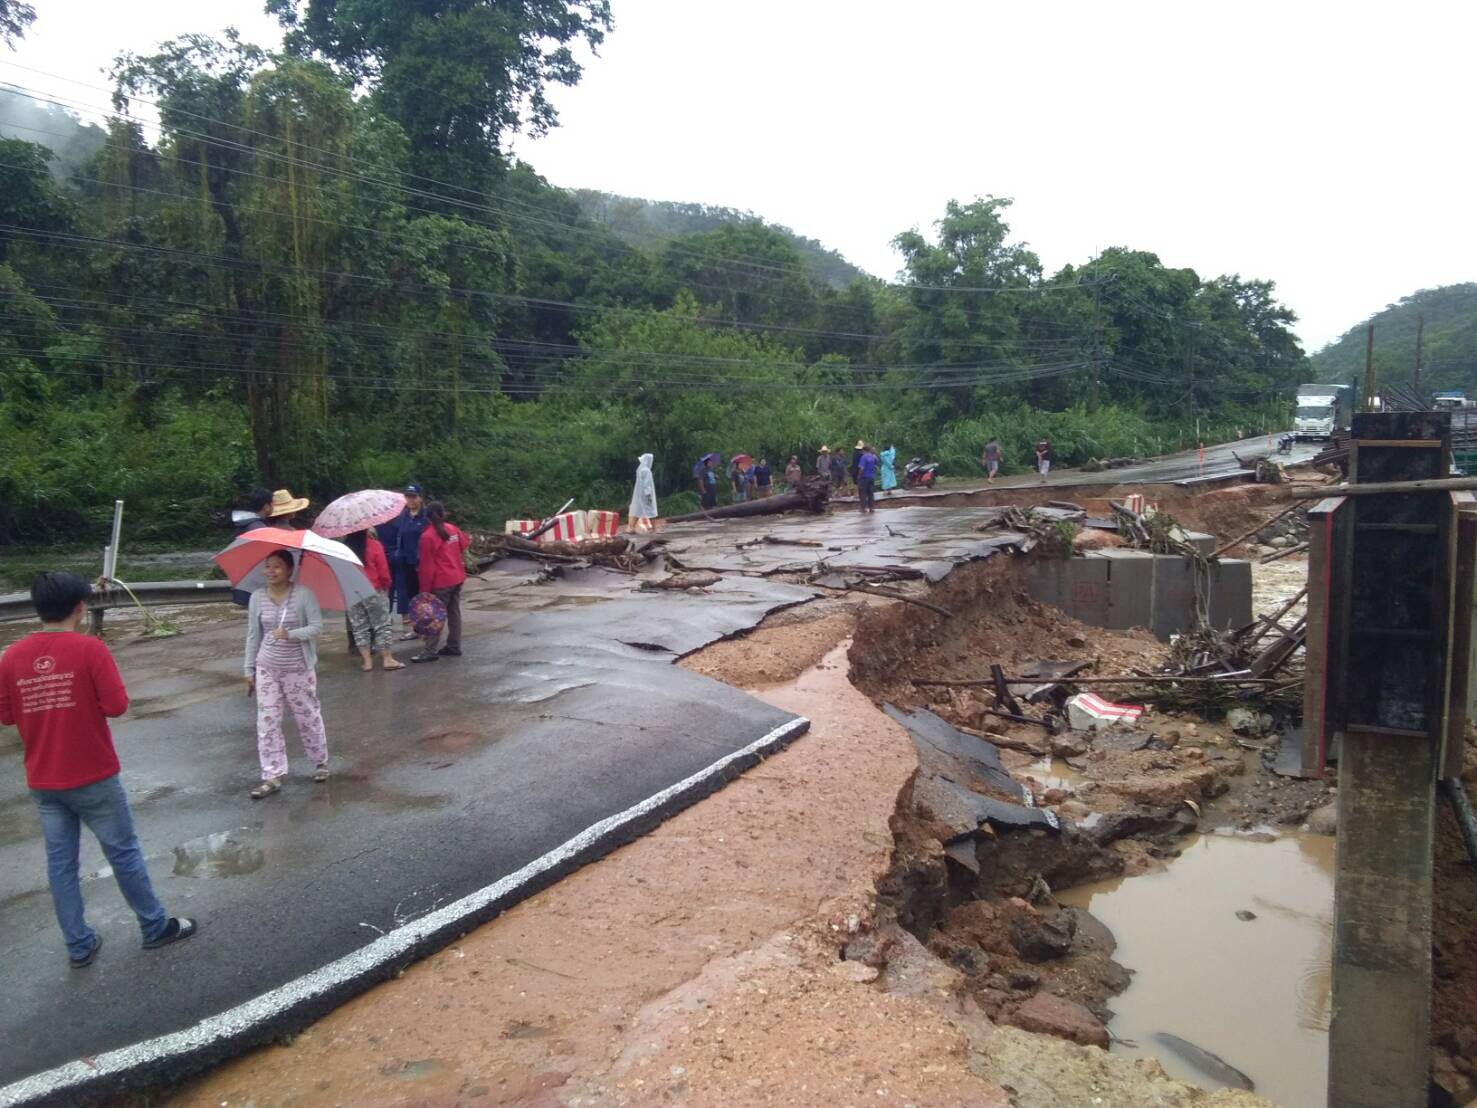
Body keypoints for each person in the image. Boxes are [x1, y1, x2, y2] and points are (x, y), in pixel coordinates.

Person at [0, 572, 198, 967]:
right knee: (123, 852)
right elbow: (117, 706)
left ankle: (78, 945)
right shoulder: (90, 649)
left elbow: (6, 716)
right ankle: (154, 926)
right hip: (93, 775)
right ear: (80, 608)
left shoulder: (11, 657)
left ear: (37, 608)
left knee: (61, 866)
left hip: (44, 780)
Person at [244, 549, 328, 799]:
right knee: (267, 720)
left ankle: (320, 761)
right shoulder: (257, 597)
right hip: (267, 667)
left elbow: (316, 627)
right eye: (267, 566)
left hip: (298, 668)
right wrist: (249, 668)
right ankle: (272, 774)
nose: (271, 571)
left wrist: (291, 634)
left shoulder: (303, 595)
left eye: (277, 566)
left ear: (289, 570)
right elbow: (253, 634)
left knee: (307, 716)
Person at [342, 530, 404, 673]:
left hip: (352, 592)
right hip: (373, 589)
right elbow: (383, 570)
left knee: (359, 628)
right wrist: (386, 585)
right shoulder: (374, 545)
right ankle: (387, 659)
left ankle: (367, 662)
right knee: (381, 625)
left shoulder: (343, 549)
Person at [413, 501, 468, 663]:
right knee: (454, 613)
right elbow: (464, 544)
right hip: (456, 577)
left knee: (435, 616)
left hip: (441, 581)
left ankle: (429, 651)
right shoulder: (452, 529)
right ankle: (454, 645)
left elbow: (427, 566)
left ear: (427, 517)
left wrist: (424, 590)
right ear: (443, 514)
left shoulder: (427, 536)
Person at [393, 484, 429, 639]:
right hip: (406, 563)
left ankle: (429, 627)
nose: (410, 500)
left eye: (413, 496)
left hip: (423, 563)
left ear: (420, 498)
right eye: (408, 496)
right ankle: (416, 628)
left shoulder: (426, 516)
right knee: (413, 597)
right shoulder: (403, 516)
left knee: (425, 596)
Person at [230, 488, 274, 608]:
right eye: (273, 503)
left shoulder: (245, 524)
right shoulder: (258, 529)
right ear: (266, 506)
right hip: (256, 585)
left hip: (244, 582)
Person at [629, 452, 658, 532]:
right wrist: (648, 495)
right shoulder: (646, 471)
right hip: (646, 494)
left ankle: (631, 528)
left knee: (637, 510)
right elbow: (647, 484)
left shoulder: (640, 469)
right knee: (651, 510)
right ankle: (654, 528)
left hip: (639, 494)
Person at [856, 443, 880, 513]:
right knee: (870, 493)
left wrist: (859, 476)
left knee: (862, 492)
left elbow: (862, 468)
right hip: (872, 477)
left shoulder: (863, 457)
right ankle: (871, 508)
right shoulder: (873, 457)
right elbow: (877, 462)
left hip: (864, 477)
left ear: (864, 450)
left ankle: (863, 508)